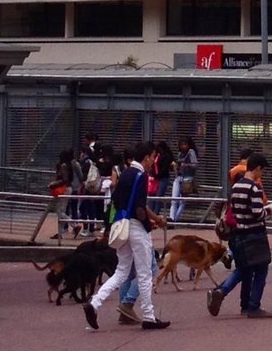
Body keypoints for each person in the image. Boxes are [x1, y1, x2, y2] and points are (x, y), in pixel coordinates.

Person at [83, 141, 170, 331]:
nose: (153, 161)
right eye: (152, 157)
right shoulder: (141, 176)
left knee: (121, 271)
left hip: (121, 225)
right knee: (145, 273)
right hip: (137, 228)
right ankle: (148, 315)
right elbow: (140, 208)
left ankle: (95, 302)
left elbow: (117, 200)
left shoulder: (125, 175)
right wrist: (151, 222)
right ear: (146, 157)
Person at [211, 152, 272, 318]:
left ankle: (221, 291)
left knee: (243, 269)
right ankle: (254, 306)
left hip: (239, 233)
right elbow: (257, 213)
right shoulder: (254, 188)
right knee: (261, 269)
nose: (262, 174)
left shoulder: (236, 186)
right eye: (262, 171)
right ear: (258, 168)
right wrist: (269, 211)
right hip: (255, 235)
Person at [169, 137, 198, 222]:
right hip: (179, 177)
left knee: (182, 201)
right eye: (181, 144)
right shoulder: (179, 154)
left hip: (187, 178)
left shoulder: (191, 152)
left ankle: (175, 220)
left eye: (185, 144)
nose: (183, 146)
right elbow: (178, 166)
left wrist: (186, 165)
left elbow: (195, 165)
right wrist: (175, 166)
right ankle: (171, 218)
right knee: (174, 199)